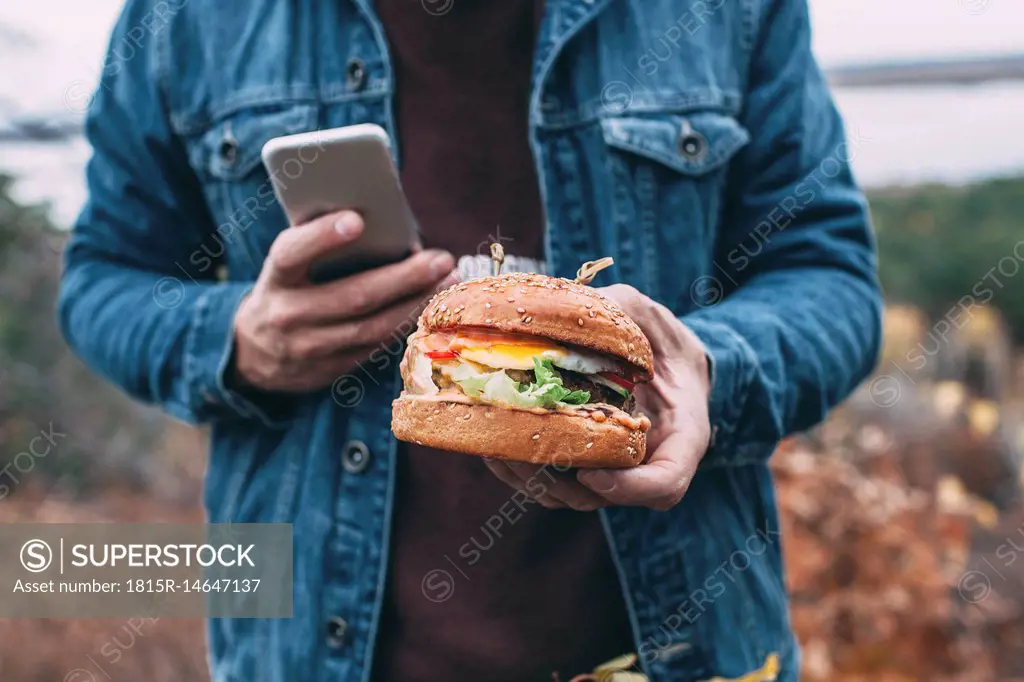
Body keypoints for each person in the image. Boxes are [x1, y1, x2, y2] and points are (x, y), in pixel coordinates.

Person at [58, 0, 882, 680]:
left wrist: (709, 369)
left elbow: (829, 279)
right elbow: (103, 280)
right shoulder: (186, 18)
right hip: (305, 651)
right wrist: (236, 339)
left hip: (681, 648)